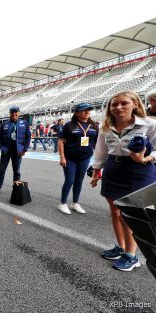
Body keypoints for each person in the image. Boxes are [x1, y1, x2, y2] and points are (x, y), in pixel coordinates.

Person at [91, 90, 156, 272]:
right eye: (114, 104)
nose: (118, 107)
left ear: (135, 104)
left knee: (130, 214)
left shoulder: (150, 124)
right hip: (113, 169)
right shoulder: (105, 126)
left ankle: (132, 255)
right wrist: (96, 172)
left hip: (139, 171)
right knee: (115, 212)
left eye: (124, 103)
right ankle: (121, 247)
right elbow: (101, 151)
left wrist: (146, 158)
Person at [57, 103, 98, 214]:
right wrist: (62, 158)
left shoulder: (94, 125)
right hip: (70, 157)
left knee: (79, 181)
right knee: (70, 180)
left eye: (89, 110)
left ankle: (75, 203)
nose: (87, 112)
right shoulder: (69, 125)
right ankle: (63, 203)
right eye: (84, 110)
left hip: (85, 158)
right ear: (76, 113)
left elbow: (96, 143)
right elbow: (61, 142)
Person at [0, 106, 31, 194]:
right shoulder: (5, 124)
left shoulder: (24, 123)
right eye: (12, 112)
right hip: (6, 151)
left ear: (19, 113)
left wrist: (24, 150)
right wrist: (0, 147)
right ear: (10, 113)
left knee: (17, 171)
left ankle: (16, 189)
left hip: (18, 152)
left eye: (16, 112)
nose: (14, 113)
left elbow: (28, 137)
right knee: (2, 170)